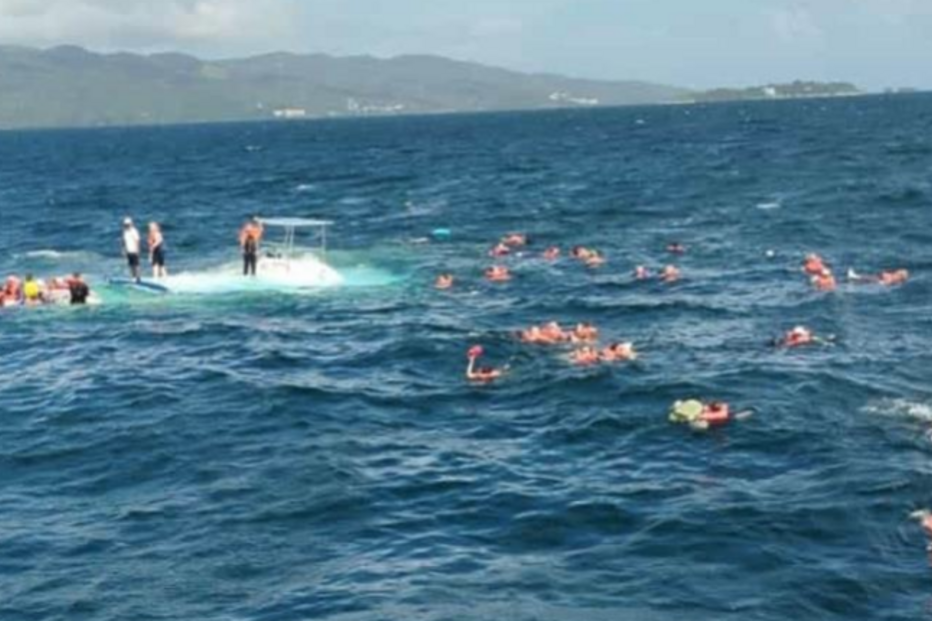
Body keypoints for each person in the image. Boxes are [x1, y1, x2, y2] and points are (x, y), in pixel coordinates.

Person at [122, 217, 142, 282]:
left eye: (128, 224)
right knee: (131, 265)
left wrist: (137, 249)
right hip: (128, 250)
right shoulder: (125, 232)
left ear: (131, 224)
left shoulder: (134, 231)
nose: (126, 226)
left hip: (134, 250)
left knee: (136, 264)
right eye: (125, 224)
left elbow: (137, 240)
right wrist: (124, 250)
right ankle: (133, 277)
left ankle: (138, 278)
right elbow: (124, 241)